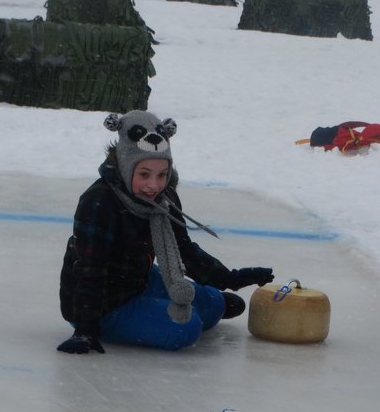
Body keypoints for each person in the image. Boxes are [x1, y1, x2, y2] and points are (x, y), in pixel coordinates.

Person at [57, 110, 274, 354]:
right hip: (104, 303)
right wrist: (85, 329)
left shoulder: (164, 199)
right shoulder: (99, 202)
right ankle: (128, 319)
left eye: (162, 175)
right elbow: (90, 269)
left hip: (139, 279)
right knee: (186, 327)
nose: (154, 185)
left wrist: (233, 279)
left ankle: (190, 304)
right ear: (126, 167)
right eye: (144, 174)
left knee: (212, 305)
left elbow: (185, 252)